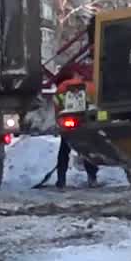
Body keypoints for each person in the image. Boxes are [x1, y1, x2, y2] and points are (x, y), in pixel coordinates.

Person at [52, 59, 99, 189]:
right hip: (86, 121)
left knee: (64, 151)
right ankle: (92, 177)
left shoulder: (61, 88)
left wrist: (60, 123)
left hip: (68, 123)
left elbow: (57, 107)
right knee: (87, 150)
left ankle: (61, 180)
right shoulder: (89, 85)